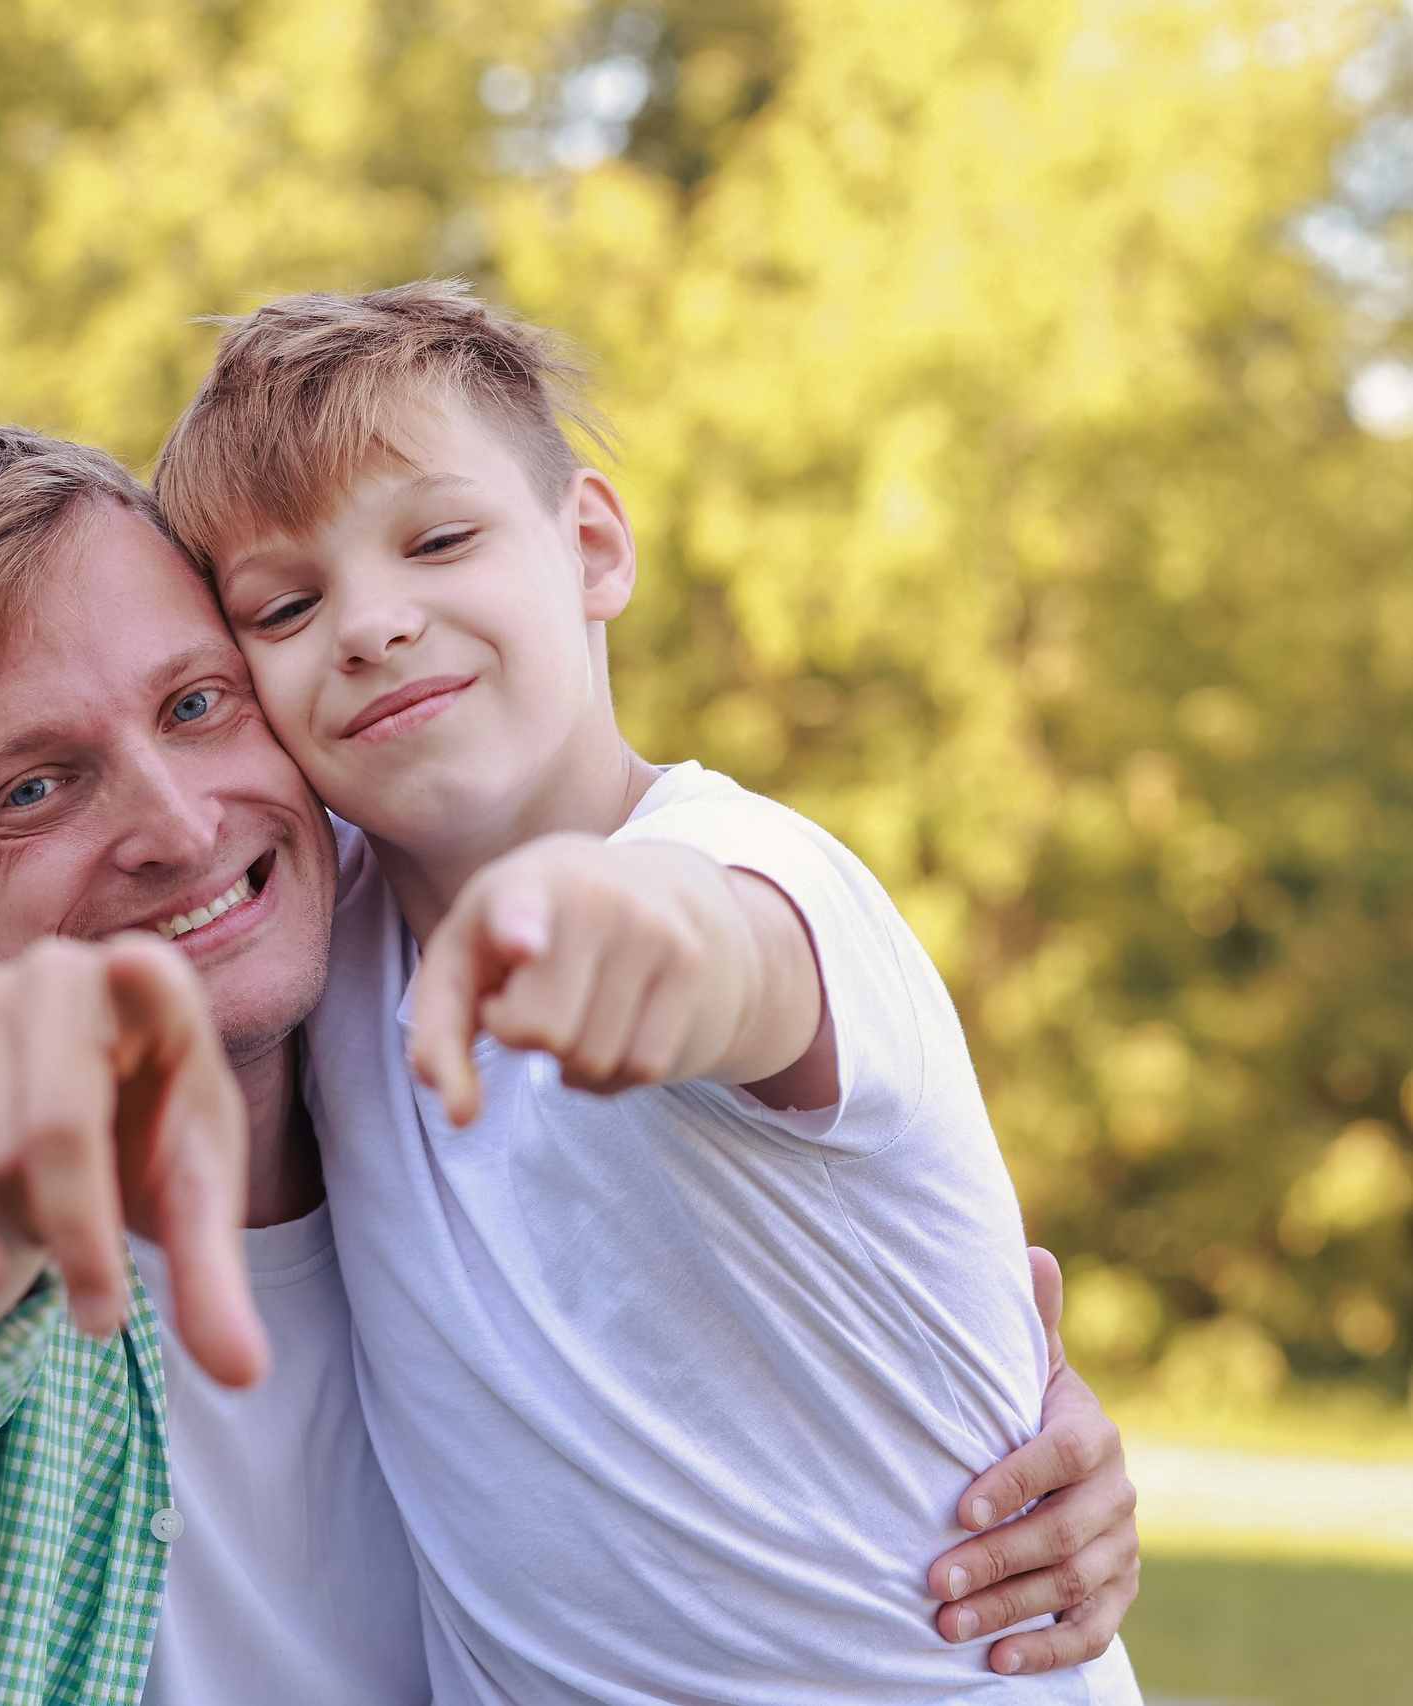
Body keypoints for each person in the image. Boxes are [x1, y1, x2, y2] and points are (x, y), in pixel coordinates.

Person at [0, 425, 1135, 1703]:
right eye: (34, 789)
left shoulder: (410, 1047)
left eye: (198, 705)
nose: (180, 827)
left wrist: (946, 1417)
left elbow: (727, 945)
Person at [150, 279, 1144, 1700]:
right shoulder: (317, 932)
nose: (370, 623)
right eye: (287, 605)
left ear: (592, 547)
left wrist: (627, 932)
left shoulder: (753, 867)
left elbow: (731, 957)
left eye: (439, 539)